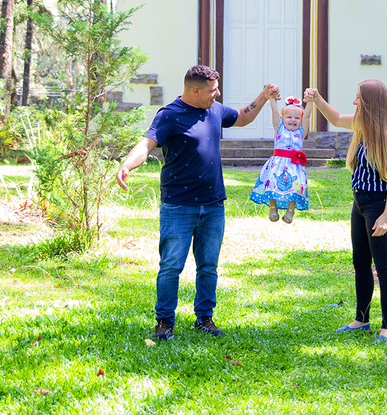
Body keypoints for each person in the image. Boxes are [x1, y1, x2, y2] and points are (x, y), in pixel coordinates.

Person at [117, 65, 278, 341]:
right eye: (213, 90)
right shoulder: (170, 115)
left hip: (213, 204)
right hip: (179, 206)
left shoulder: (214, 109)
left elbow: (240, 118)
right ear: (195, 90)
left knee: (208, 265)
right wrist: (126, 166)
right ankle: (165, 322)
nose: (218, 94)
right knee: (171, 266)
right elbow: (147, 144)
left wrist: (263, 96)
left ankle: (204, 318)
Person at [303, 81, 387, 343]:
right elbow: (334, 118)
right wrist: (316, 98)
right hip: (359, 204)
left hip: (379, 205)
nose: (355, 102)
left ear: (371, 102)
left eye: (358, 98)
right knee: (360, 264)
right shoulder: (362, 126)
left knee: (384, 267)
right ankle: (361, 319)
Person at [248, 96, 312, 224]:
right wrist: (272, 98)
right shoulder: (279, 128)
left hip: (294, 164)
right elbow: (274, 112)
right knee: (272, 183)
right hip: (277, 163)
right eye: (289, 117)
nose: (293, 120)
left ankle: (290, 211)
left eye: (297, 118)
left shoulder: (301, 132)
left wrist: (311, 101)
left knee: (294, 186)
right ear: (282, 118)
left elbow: (307, 116)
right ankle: (273, 207)